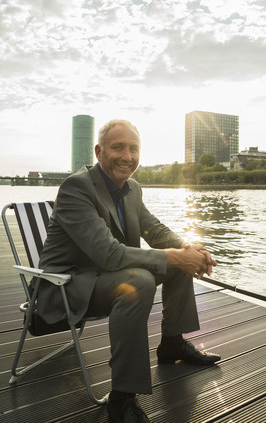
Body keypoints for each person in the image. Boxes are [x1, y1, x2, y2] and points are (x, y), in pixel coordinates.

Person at [37, 119, 221, 423]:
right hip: (68, 285)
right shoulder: (76, 187)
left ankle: (172, 342)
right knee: (140, 280)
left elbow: (156, 231)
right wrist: (176, 257)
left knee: (174, 265)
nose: (127, 156)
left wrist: (189, 249)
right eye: (117, 147)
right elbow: (109, 254)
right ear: (98, 152)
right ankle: (122, 398)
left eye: (133, 149)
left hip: (107, 276)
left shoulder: (133, 188)